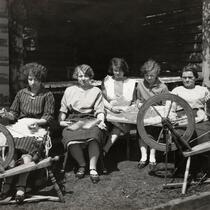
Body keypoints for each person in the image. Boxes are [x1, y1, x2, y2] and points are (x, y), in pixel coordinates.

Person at [0, 62, 55, 203]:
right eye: (30, 79)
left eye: (36, 79)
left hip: (36, 128)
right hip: (20, 127)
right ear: (27, 79)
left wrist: (38, 123)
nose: (33, 82)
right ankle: (7, 184)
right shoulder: (21, 94)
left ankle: (21, 187)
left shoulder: (47, 95)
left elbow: (48, 116)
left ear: (41, 79)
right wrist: (6, 114)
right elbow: (14, 114)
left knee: (27, 153)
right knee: (10, 151)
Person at [59, 64, 106, 184]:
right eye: (80, 76)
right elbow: (63, 109)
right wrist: (61, 121)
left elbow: (100, 110)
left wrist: (101, 121)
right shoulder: (69, 90)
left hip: (90, 118)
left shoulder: (96, 91)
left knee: (95, 135)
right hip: (74, 119)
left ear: (90, 77)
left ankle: (93, 168)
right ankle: (82, 164)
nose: (83, 78)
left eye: (86, 76)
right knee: (70, 137)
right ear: (76, 77)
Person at [171, 64, 210, 177]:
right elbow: (171, 108)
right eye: (184, 77)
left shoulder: (203, 90)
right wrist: (173, 117)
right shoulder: (177, 90)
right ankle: (183, 168)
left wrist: (208, 101)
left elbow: (208, 108)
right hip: (182, 118)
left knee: (205, 134)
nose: (187, 80)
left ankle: (202, 168)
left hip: (200, 118)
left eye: (190, 77)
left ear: (195, 77)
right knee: (182, 135)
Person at [136, 59, 169, 170]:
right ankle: (143, 157)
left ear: (156, 75)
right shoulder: (140, 85)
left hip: (157, 116)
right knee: (141, 132)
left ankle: (152, 156)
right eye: (146, 75)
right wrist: (138, 104)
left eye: (151, 75)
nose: (149, 78)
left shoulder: (162, 87)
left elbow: (166, 105)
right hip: (143, 114)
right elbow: (137, 100)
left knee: (153, 132)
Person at [101, 57, 136, 159]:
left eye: (120, 71)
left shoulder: (131, 82)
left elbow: (134, 101)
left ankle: (105, 150)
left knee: (119, 124)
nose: (117, 73)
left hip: (125, 112)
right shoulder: (106, 81)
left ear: (124, 70)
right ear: (112, 70)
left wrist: (130, 108)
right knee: (116, 122)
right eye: (115, 70)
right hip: (110, 111)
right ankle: (105, 149)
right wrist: (111, 107)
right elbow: (102, 99)